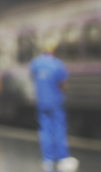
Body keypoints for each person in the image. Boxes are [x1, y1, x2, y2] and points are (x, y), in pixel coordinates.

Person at [30, 40, 79, 172]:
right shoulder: (58, 64)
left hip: (42, 103)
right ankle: (62, 158)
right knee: (59, 129)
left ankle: (48, 159)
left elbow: (33, 78)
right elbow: (63, 84)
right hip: (56, 103)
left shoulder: (35, 63)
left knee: (45, 131)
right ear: (54, 50)